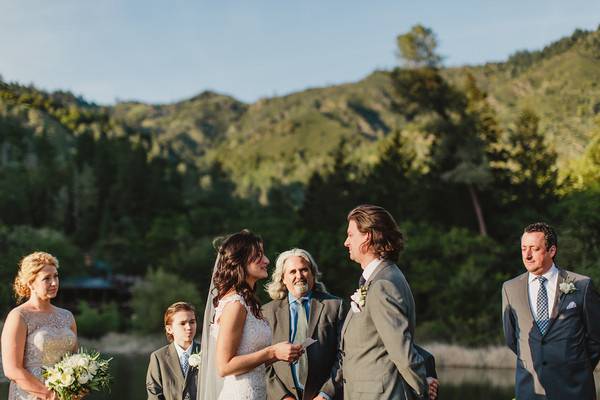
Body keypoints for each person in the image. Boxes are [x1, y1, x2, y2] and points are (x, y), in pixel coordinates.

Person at [197, 229, 303, 400]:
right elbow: (224, 366)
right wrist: (272, 352)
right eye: (259, 255)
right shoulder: (235, 305)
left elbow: (251, 362)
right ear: (242, 260)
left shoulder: (247, 302)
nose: (267, 260)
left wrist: (282, 354)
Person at [338, 204, 428, 400]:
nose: (346, 242)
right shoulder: (381, 277)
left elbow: (402, 351)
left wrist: (422, 392)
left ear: (367, 236)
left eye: (351, 235)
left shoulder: (382, 284)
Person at [502, 222, 600, 399]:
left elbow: (596, 338)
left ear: (551, 251)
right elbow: (512, 338)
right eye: (524, 248)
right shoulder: (510, 288)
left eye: (534, 248)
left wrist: (576, 367)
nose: (528, 255)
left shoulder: (582, 285)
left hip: (574, 390)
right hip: (530, 392)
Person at [263, 248, 347, 400]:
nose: (299, 276)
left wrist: (325, 394)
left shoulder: (335, 306)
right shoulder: (267, 312)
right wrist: (282, 397)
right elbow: (264, 362)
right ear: (283, 278)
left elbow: (344, 354)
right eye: (292, 272)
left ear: (313, 274)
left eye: (304, 270)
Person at [1, 252, 78, 400]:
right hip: (30, 396)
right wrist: (49, 396)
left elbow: (75, 360)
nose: (54, 283)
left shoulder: (67, 316)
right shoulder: (18, 316)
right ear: (31, 283)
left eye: (55, 276)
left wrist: (80, 386)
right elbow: (11, 369)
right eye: (46, 278)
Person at [146, 302, 200, 400]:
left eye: (192, 322)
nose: (189, 327)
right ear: (169, 329)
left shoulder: (206, 353)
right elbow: (154, 395)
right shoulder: (158, 358)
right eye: (182, 323)